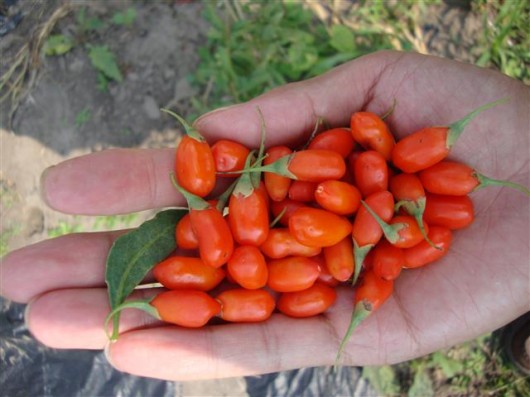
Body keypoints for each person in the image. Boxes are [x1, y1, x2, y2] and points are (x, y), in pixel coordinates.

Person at [1, 50, 528, 381]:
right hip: (291, 243)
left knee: (322, 255)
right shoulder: (297, 219)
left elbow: (346, 211)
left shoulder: (354, 220)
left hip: (315, 239)